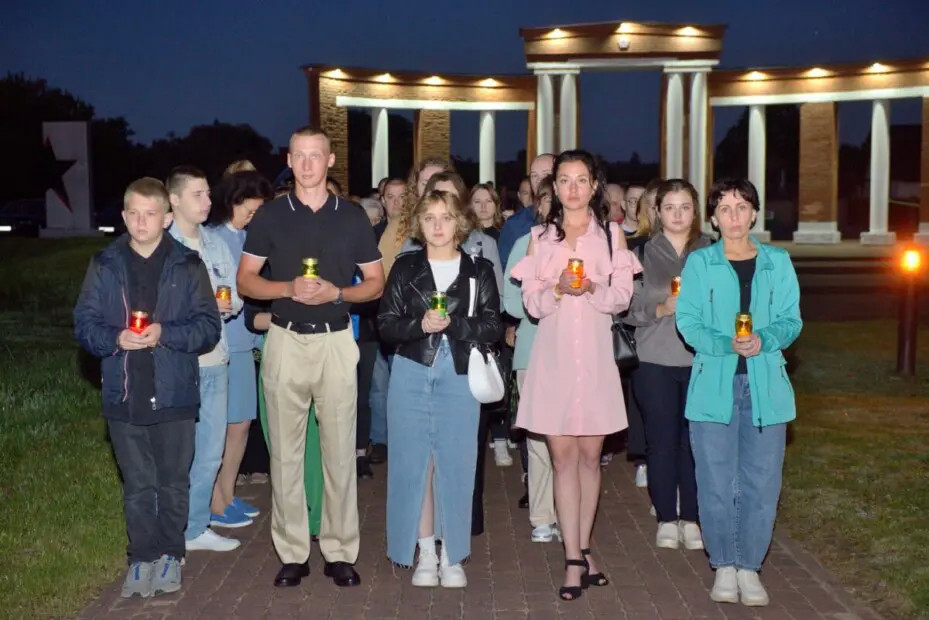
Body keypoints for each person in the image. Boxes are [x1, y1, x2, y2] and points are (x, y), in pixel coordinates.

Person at [237, 126, 385, 589]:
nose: (306, 164)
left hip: (337, 339)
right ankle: (293, 552)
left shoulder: (354, 217)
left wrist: (337, 292)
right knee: (285, 453)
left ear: (330, 159)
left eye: (314, 155)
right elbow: (246, 281)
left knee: (340, 452)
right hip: (284, 340)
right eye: (298, 156)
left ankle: (340, 552)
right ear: (289, 158)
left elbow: (375, 283)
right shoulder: (271, 215)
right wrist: (286, 288)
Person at [74, 177, 221, 598]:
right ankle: (140, 558)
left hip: (174, 391)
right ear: (123, 216)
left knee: (173, 481)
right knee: (138, 483)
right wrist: (114, 338)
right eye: (133, 213)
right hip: (124, 390)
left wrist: (165, 333)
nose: (141, 222)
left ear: (167, 218)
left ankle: (171, 555)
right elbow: (85, 324)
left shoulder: (188, 265)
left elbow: (208, 328)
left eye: (150, 214)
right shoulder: (105, 264)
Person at [511, 150, 641, 601]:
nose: (572, 188)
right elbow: (531, 304)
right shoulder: (539, 238)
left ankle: (584, 548)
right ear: (555, 189)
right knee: (563, 460)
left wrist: (592, 288)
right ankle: (572, 560)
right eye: (564, 180)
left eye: (580, 180)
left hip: (596, 364)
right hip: (554, 362)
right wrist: (557, 291)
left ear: (594, 186)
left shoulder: (611, 237)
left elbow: (622, 299)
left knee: (591, 460)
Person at [676, 178, 802, 607]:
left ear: (754, 213)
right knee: (714, 481)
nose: (734, 216)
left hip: (766, 386)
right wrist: (723, 343)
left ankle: (750, 567)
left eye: (742, 206)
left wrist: (764, 338)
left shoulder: (778, 262)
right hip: (714, 383)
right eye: (725, 208)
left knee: (762, 482)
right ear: (713, 217)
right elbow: (688, 322)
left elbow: (792, 320)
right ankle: (723, 565)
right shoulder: (699, 264)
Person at [377, 189, 502, 588]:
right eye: (429, 217)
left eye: (445, 217)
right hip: (412, 367)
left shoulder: (477, 270)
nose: (437, 225)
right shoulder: (405, 267)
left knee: (456, 462)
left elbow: (493, 325)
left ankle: (453, 553)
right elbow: (386, 324)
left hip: (460, 371)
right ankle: (425, 551)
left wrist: (453, 325)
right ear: (419, 223)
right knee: (415, 461)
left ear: (460, 223)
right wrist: (419, 326)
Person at [624, 179, 711, 551]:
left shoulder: (711, 251)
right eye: (670, 207)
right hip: (654, 358)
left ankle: (691, 516)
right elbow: (624, 306)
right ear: (656, 212)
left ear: (695, 212)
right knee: (661, 442)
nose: (677, 214)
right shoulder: (639, 253)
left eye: (685, 207)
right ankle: (665, 517)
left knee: (694, 442)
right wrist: (660, 309)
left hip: (702, 359)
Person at [166, 166, 248, 550]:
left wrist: (228, 303)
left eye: (208, 194)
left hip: (216, 359)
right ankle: (171, 529)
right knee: (177, 451)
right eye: (198, 194)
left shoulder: (215, 243)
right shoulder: (163, 248)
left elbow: (235, 291)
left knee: (212, 449)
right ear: (175, 199)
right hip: (179, 365)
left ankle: (196, 527)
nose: (208, 201)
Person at [206, 170, 273, 524]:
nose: (254, 214)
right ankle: (215, 501)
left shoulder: (248, 238)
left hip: (245, 342)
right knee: (222, 424)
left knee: (243, 422)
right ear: (235, 199)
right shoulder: (213, 237)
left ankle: (228, 494)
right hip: (222, 342)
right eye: (252, 206)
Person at [503, 174, 560, 544]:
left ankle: (569, 512)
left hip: (579, 354)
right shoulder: (526, 243)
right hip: (534, 350)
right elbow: (510, 301)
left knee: (574, 436)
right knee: (540, 439)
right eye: (548, 201)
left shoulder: (592, 243)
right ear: (538, 206)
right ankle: (543, 515)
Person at [367, 177, 408, 466]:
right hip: (374, 317)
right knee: (379, 384)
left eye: (401, 196)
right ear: (382, 200)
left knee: (402, 383)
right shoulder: (372, 233)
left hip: (405, 319)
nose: (396, 202)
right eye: (390, 196)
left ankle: (404, 438)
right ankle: (381, 439)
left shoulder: (417, 233)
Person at [498, 154, 555, 269]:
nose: (539, 180)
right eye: (534, 176)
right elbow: (504, 269)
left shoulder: (575, 218)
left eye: (546, 174)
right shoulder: (515, 225)